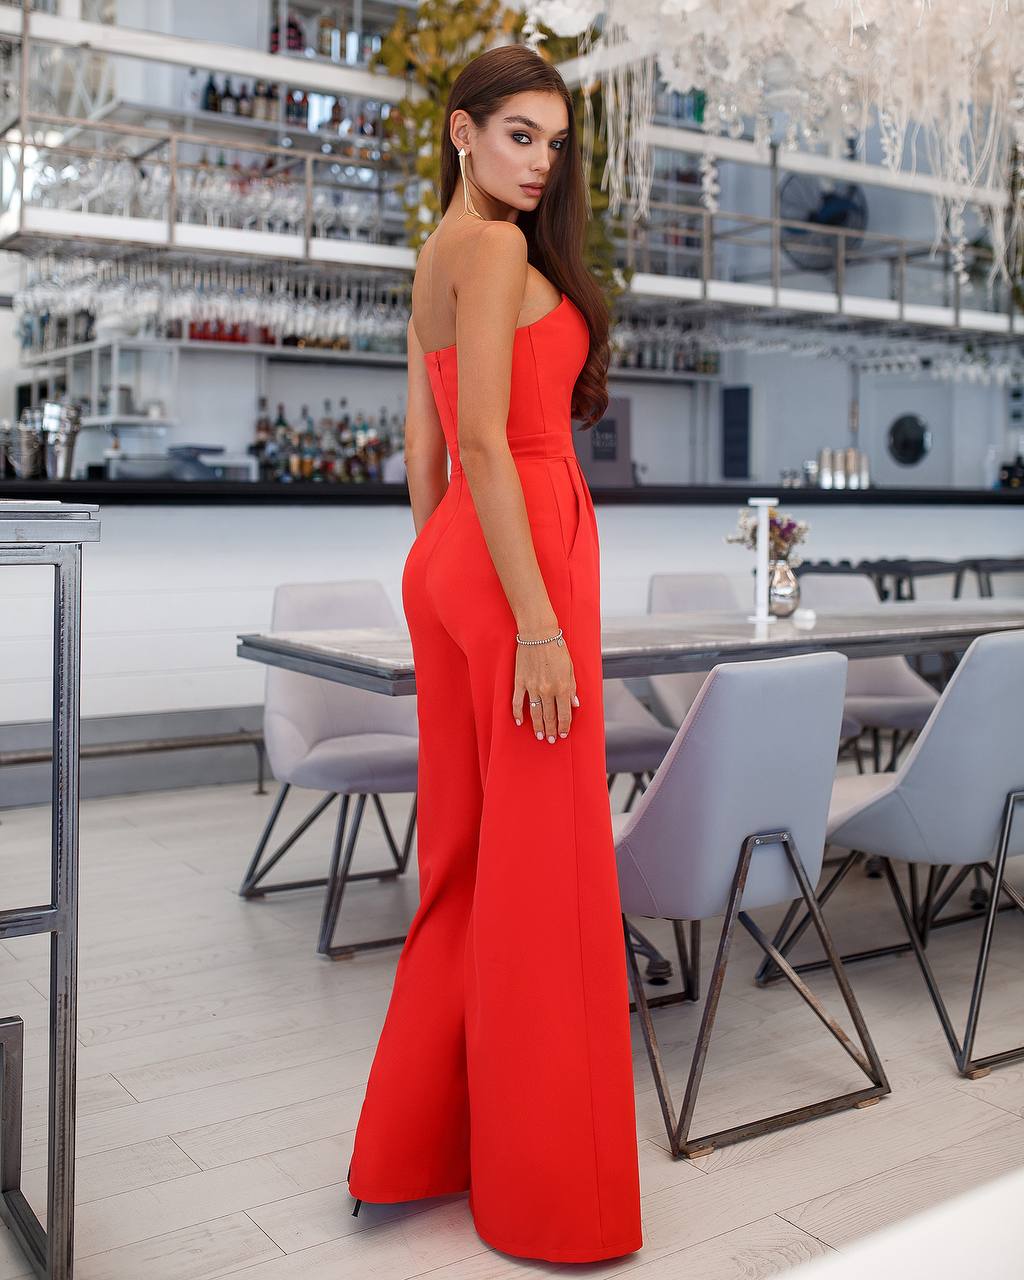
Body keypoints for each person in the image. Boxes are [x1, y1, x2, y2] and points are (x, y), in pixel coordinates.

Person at [345, 43, 644, 1264]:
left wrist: (454, 578)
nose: (539, 162)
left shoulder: (432, 254)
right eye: (519, 134)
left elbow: (419, 460)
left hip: (459, 559)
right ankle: (545, 1199)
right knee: (545, 877)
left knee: (463, 861)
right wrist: (527, 619)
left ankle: (414, 1149)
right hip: (522, 560)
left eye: (554, 143)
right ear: (461, 130)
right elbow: (478, 440)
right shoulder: (501, 250)